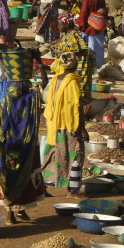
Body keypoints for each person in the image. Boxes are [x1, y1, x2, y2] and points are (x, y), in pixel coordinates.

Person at [0, 81, 46, 225]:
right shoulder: (28, 107)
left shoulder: (2, 107)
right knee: (20, 179)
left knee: (10, 181)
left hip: (9, 150)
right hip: (23, 150)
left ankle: (18, 211)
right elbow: (36, 100)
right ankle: (12, 214)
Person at [42, 53, 85, 196]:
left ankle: (46, 186)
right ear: (74, 65)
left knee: (55, 154)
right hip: (69, 124)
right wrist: (82, 127)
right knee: (76, 154)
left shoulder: (55, 79)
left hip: (55, 124)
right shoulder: (72, 82)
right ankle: (72, 190)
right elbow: (76, 105)